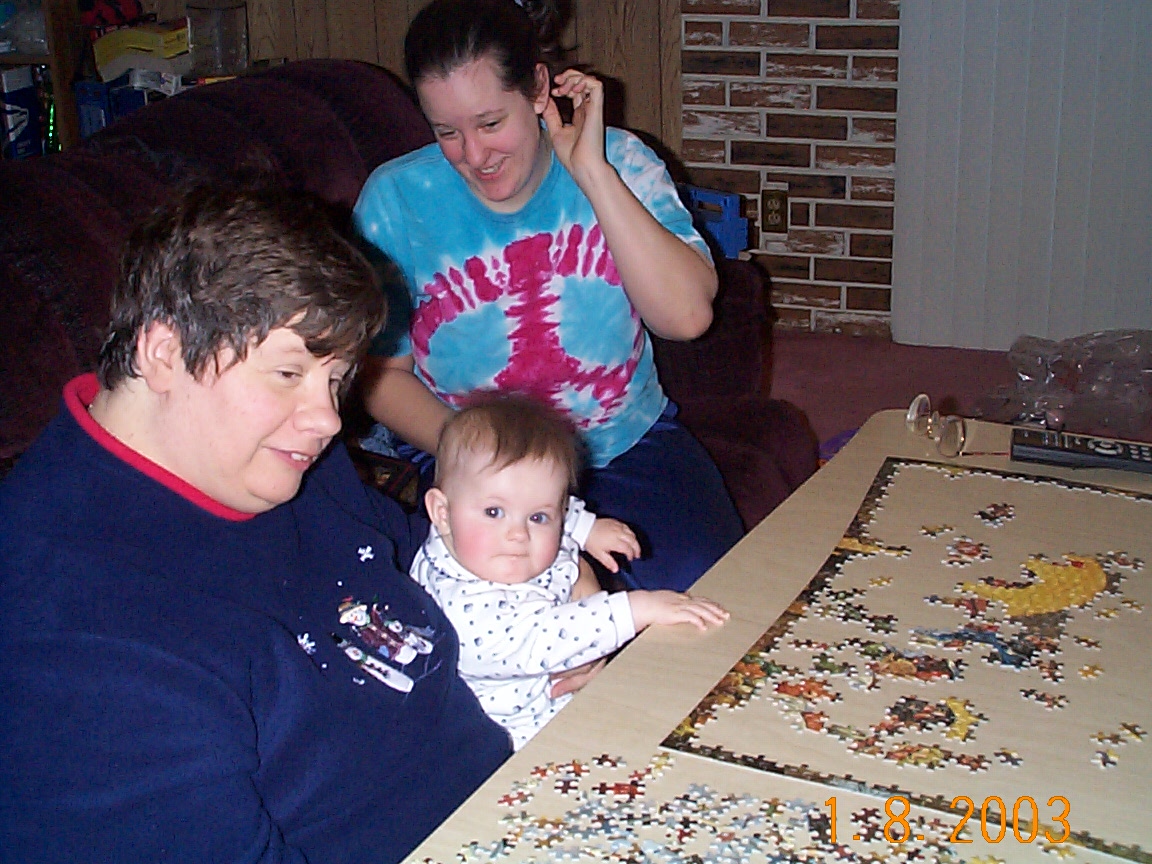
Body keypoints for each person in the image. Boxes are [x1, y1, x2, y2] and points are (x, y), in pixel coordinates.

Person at [0, 183, 559, 863]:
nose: (327, 419)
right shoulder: (69, 641)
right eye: (289, 372)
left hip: (532, 786)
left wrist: (552, 597)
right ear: (164, 352)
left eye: (336, 380)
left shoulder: (265, 457)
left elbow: (427, 557)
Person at [353, 0, 745, 593]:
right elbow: (381, 375)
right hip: (469, 467)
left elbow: (687, 318)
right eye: (447, 132)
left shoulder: (621, 161)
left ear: (538, 88)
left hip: (618, 447)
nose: (474, 155)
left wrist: (592, 173)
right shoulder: (394, 199)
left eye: (490, 123)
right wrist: (487, 460)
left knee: (714, 596)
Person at [410, 394, 730, 749]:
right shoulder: (460, 604)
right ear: (442, 513)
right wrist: (636, 608)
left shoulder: (486, 544)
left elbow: (550, 505)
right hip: (516, 737)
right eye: (494, 512)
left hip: (568, 693)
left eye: (537, 518)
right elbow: (543, 636)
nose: (518, 534)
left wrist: (587, 529)